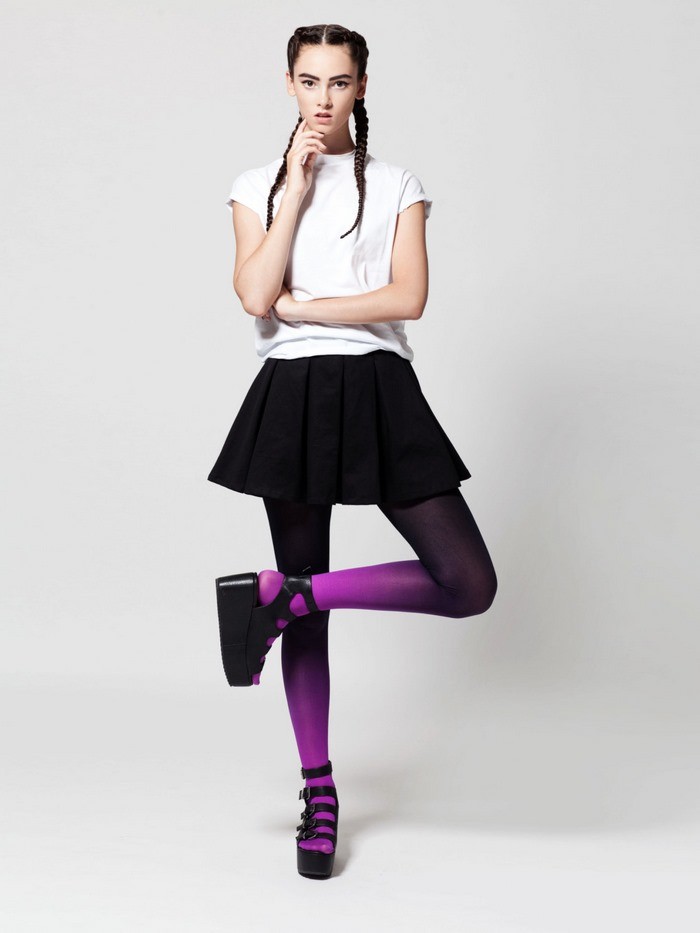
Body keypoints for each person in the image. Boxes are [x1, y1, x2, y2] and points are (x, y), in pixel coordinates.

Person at [207, 24, 498, 880]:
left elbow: (408, 296)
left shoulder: (399, 184)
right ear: (288, 84)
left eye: (339, 82)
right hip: (292, 396)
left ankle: (286, 594)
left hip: (377, 386)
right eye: (309, 81)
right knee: (308, 621)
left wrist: (305, 308)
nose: (324, 98)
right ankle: (319, 790)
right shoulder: (255, 186)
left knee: (468, 580)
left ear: (362, 87)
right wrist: (294, 190)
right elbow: (254, 293)